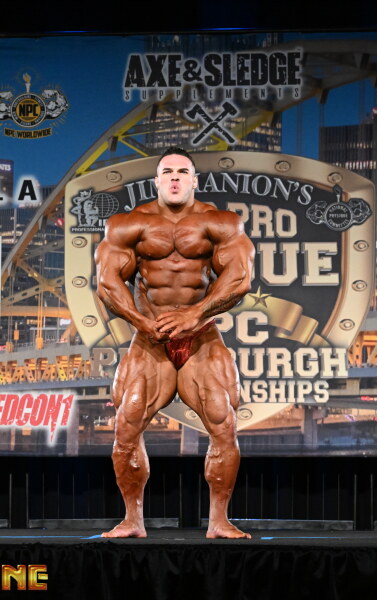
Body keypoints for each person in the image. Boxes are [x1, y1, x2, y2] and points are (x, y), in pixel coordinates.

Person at [94, 146, 255, 538]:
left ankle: (218, 521)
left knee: (223, 423)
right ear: (157, 181)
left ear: (195, 180)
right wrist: (140, 322)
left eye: (183, 171)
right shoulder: (129, 225)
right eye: (168, 172)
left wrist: (195, 314)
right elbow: (107, 282)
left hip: (201, 337)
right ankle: (132, 520)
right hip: (150, 338)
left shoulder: (220, 222)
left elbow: (239, 278)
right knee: (126, 426)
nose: (175, 178)